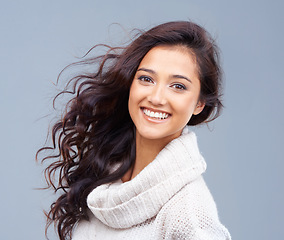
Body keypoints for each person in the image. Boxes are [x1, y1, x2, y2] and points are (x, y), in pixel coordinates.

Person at [37, 21, 231, 240]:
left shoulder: (189, 213)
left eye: (178, 86)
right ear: (130, 83)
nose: (156, 98)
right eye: (146, 79)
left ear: (199, 104)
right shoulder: (107, 169)